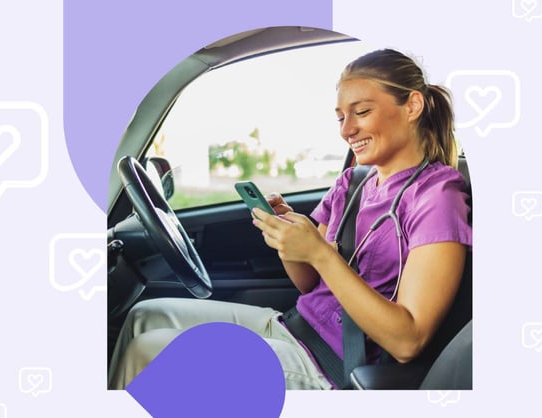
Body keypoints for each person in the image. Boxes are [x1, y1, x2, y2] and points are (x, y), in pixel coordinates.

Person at [108, 48, 472, 390]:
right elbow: (310, 284)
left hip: (330, 367)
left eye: (361, 113)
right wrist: (289, 242)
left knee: (150, 352)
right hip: (294, 327)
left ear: (412, 106)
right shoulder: (353, 183)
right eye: (341, 117)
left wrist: (319, 253)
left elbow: (409, 341)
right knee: (144, 315)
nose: (347, 131)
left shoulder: (438, 197)